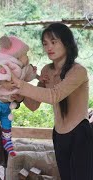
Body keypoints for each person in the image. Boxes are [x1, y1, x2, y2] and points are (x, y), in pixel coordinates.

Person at [11, 23, 93, 179]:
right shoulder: (46, 71)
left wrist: (21, 85)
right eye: (45, 44)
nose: (49, 47)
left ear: (67, 43)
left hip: (80, 134)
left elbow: (54, 95)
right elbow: (34, 105)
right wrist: (20, 95)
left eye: (54, 42)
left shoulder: (78, 71)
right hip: (59, 135)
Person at [0, 35, 38, 157]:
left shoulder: (23, 68)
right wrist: (4, 82)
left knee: (7, 123)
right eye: (25, 54)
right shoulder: (2, 63)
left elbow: (28, 75)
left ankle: (7, 141)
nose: (27, 57)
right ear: (15, 56)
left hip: (7, 103)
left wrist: (36, 75)